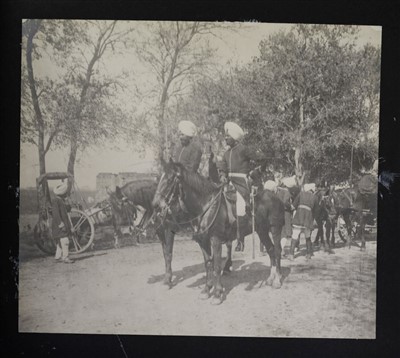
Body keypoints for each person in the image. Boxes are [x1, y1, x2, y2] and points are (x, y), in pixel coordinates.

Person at [288, 183, 318, 261]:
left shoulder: (300, 194)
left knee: (295, 235)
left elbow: (293, 206)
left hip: (299, 216)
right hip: (308, 217)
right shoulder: (315, 197)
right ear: (312, 189)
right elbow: (316, 210)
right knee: (307, 236)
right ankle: (308, 254)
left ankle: (291, 254)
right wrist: (313, 219)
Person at [51, 182, 74, 263]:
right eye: (65, 193)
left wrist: (68, 204)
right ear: (62, 193)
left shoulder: (61, 200)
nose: (66, 195)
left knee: (60, 241)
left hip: (62, 224)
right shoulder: (55, 201)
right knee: (65, 240)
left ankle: (58, 256)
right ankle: (65, 257)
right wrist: (60, 223)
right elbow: (56, 213)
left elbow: (67, 210)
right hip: (59, 224)